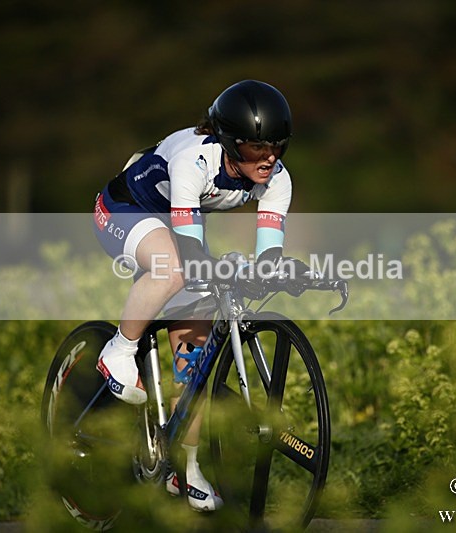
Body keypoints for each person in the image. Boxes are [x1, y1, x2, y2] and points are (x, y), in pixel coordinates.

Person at [92, 80, 296, 512]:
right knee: (176, 268)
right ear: (229, 142)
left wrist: (276, 271)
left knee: (195, 359)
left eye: (277, 146)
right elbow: (187, 250)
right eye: (258, 149)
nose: (270, 157)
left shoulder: (276, 179)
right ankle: (119, 349)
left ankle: (184, 467)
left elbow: (268, 257)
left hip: (175, 223)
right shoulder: (193, 160)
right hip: (126, 209)